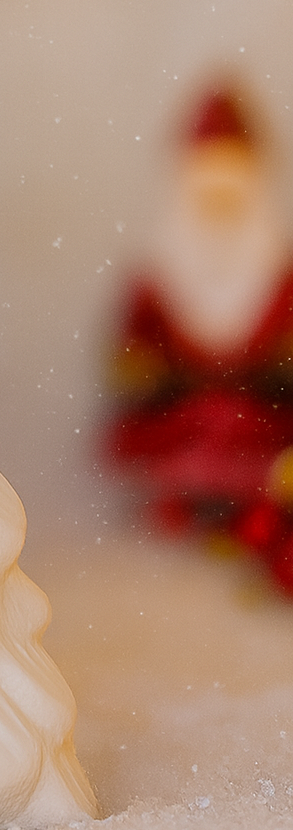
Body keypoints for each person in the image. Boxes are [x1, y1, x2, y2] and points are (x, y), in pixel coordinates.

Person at [107, 82, 293, 593]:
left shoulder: (281, 276)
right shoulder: (154, 280)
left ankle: (255, 529)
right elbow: (131, 371)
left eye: (231, 184)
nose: (218, 200)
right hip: (179, 433)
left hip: (266, 435)